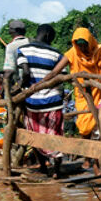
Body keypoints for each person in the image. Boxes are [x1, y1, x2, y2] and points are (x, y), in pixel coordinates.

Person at [43, 27, 101, 138]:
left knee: (100, 125)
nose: (82, 48)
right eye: (79, 44)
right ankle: (87, 150)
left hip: (99, 92)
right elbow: (55, 72)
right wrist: (40, 84)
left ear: (90, 42)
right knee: (84, 125)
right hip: (82, 94)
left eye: (85, 44)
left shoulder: (100, 51)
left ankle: (98, 152)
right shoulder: (72, 53)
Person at [16, 23, 66, 174]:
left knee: (34, 136)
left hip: (32, 102)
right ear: (48, 36)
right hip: (53, 102)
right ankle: (57, 169)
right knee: (55, 136)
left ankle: (43, 166)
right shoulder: (57, 55)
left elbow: (25, 74)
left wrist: (22, 88)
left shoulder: (23, 50)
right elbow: (62, 77)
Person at [1, 19, 30, 86]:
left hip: (22, 85)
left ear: (15, 30)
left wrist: (1, 94)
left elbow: (9, 71)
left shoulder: (11, 46)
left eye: (10, 29)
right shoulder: (31, 42)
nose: (9, 31)